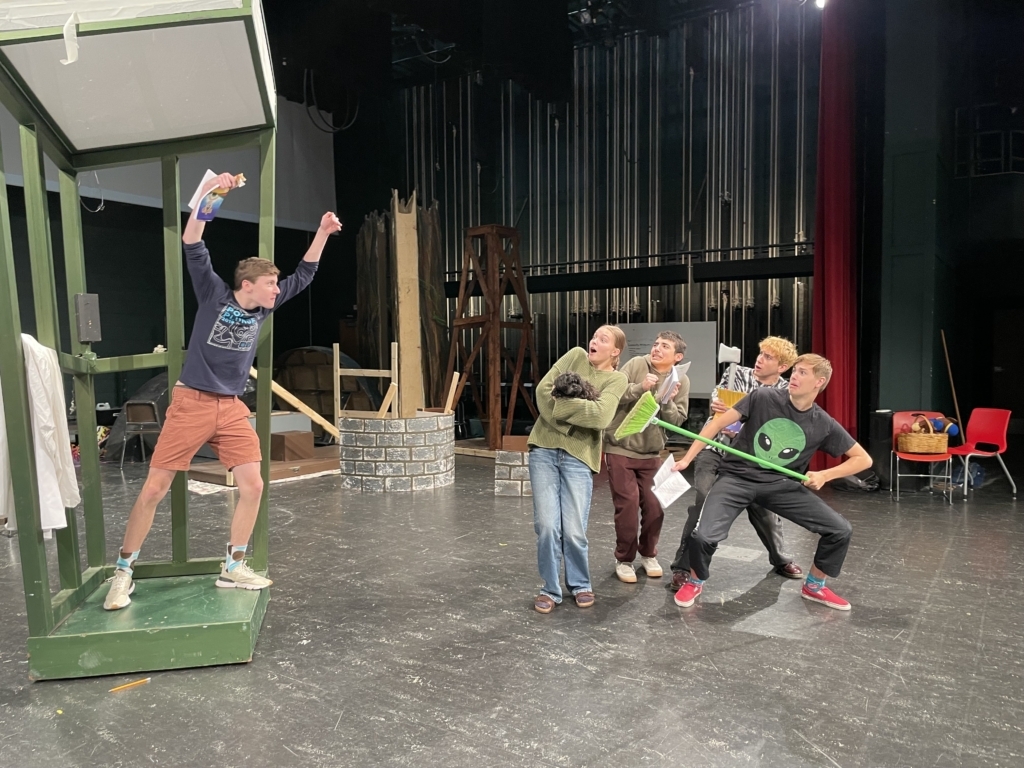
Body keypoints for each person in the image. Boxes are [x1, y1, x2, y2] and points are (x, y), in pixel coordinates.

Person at [103, 172, 342, 611]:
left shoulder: (265, 308)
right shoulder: (214, 294)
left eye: (277, 285)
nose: (277, 289)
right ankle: (123, 572)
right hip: (192, 402)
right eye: (270, 283)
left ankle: (233, 566)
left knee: (253, 484)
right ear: (247, 285)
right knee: (154, 489)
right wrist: (216, 193)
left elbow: (305, 274)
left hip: (231, 407)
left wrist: (324, 232)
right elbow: (193, 241)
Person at [671, 354, 873, 611]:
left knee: (840, 529)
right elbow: (717, 423)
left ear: (819, 382)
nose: (794, 376)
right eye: (795, 371)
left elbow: (863, 459)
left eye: (803, 373)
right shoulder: (763, 397)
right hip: (736, 478)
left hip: (779, 485)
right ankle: (695, 581)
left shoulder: (822, 423)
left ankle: (814, 586)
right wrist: (687, 459)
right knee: (703, 536)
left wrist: (825, 475)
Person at [668, 336, 804, 590]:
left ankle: (780, 558)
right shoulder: (736, 374)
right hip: (716, 449)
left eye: (768, 357)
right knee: (704, 501)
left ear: (782, 366)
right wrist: (717, 406)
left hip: (751, 459)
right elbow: (718, 407)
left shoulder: (786, 392)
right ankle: (683, 567)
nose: (760, 359)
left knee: (764, 508)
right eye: (761, 353)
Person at [529, 326, 628, 613]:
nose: (594, 341)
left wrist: (560, 409)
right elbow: (542, 392)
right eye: (594, 336)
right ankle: (550, 588)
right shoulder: (575, 356)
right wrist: (571, 419)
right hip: (544, 449)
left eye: (603, 339)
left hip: (580, 457)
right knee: (547, 526)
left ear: (615, 351)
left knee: (573, 530)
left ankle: (580, 584)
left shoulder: (617, 379)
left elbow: (601, 416)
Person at [603, 331, 690, 583]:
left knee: (655, 507)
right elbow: (614, 395)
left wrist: (668, 401)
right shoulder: (636, 364)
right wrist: (641, 387)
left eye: (665, 346)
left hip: (652, 453)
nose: (657, 349)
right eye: (655, 344)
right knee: (628, 506)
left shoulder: (681, 380)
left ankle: (648, 554)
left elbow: (677, 420)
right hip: (620, 447)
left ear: (677, 357)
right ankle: (624, 559)